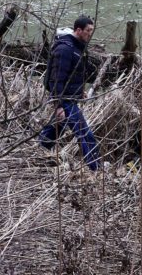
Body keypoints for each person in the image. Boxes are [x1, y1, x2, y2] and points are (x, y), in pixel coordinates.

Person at [38, 15, 101, 170]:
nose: (90, 34)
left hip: (70, 98)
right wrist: (59, 106)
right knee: (85, 135)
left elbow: (72, 75)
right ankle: (97, 169)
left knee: (55, 128)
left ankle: (39, 150)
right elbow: (56, 80)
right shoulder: (65, 49)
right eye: (88, 30)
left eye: (92, 30)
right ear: (78, 30)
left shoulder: (76, 47)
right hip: (64, 100)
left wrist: (79, 92)